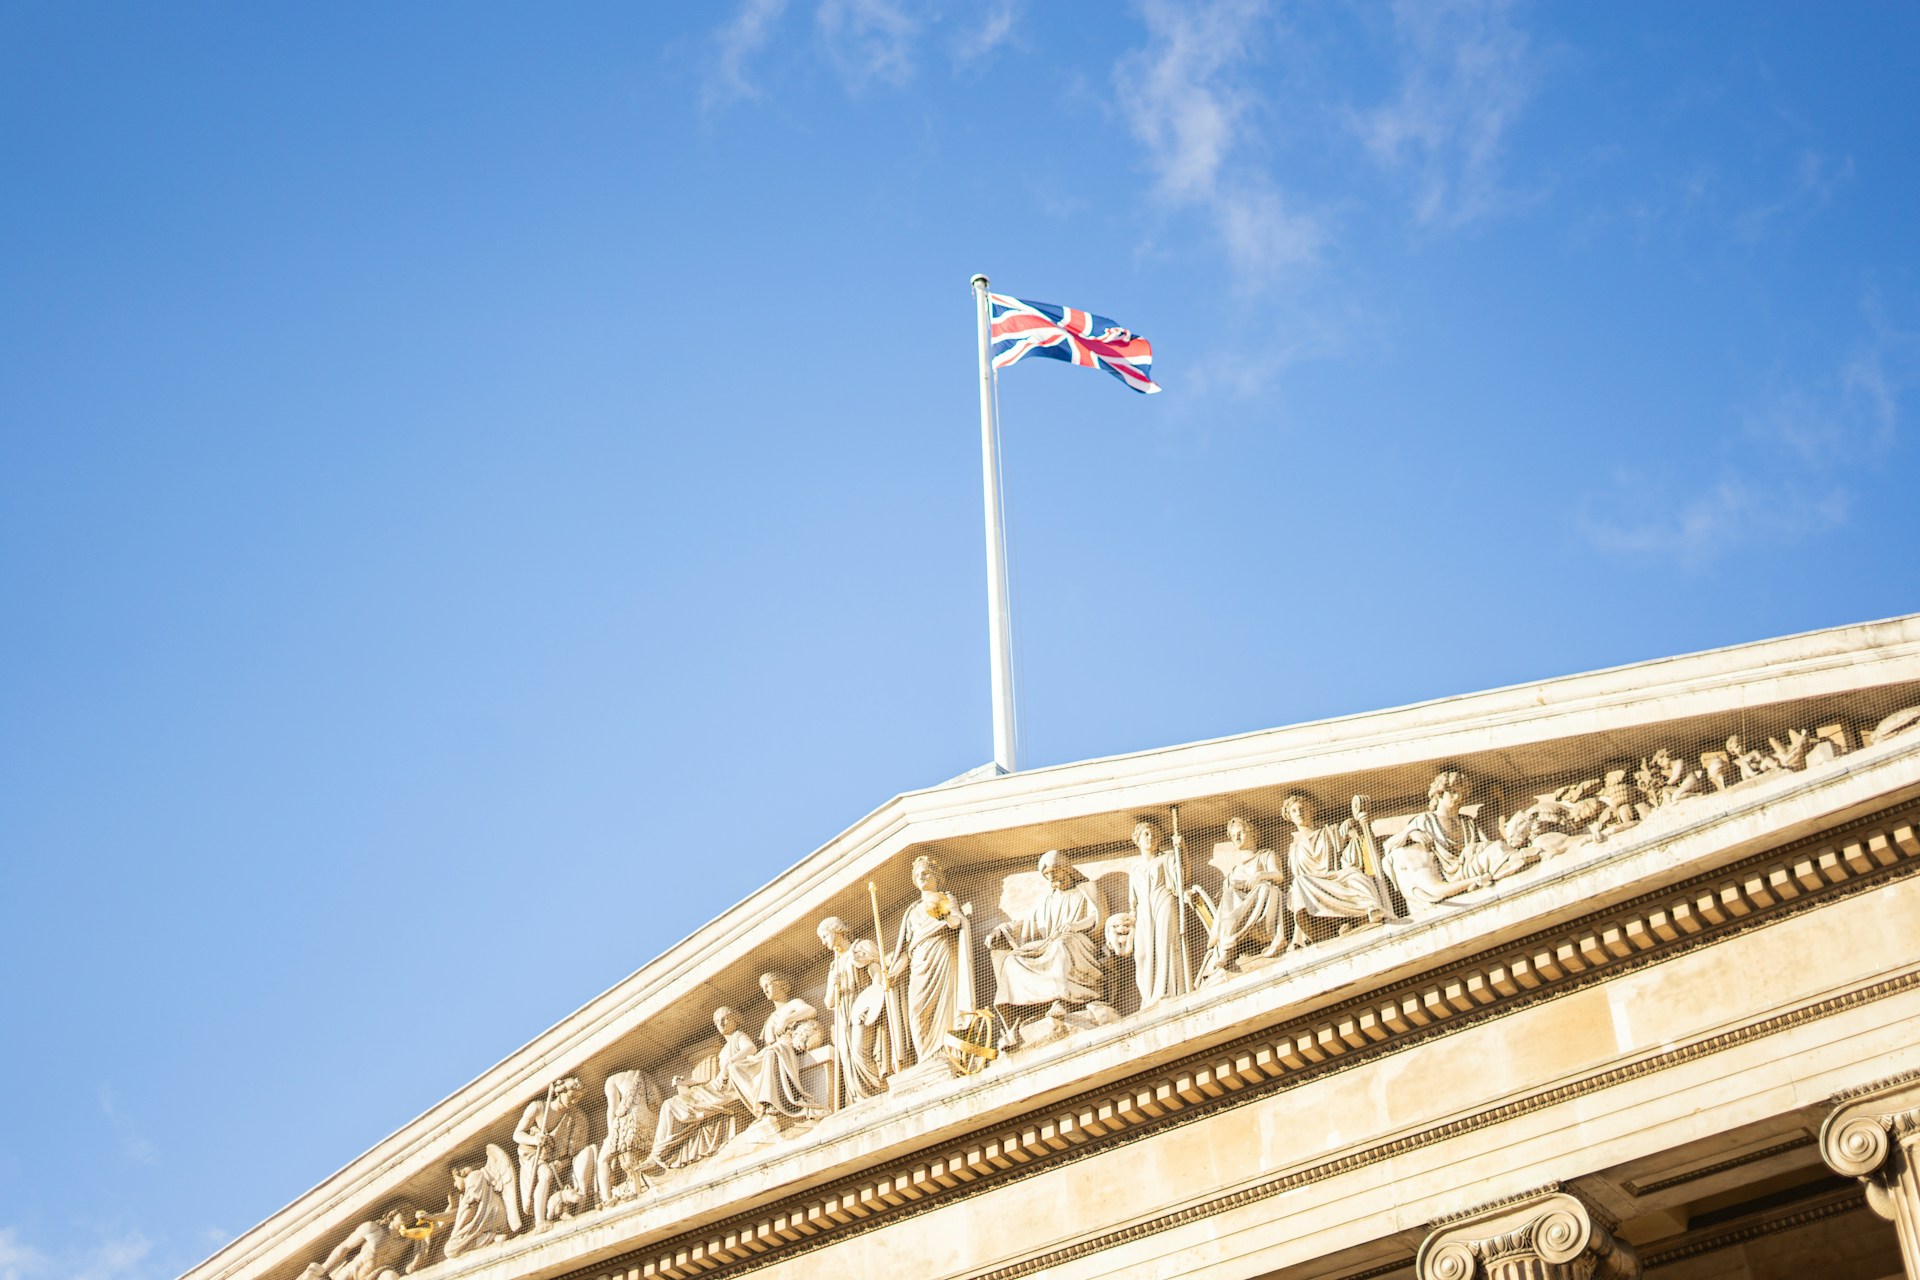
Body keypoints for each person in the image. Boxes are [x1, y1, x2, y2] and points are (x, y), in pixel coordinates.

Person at [986, 850, 1105, 1010]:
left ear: (1065, 869)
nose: (1051, 877)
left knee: (1061, 944)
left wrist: (1075, 926)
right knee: (1012, 960)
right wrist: (1003, 929)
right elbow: (1030, 924)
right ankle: (1021, 1008)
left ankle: (1063, 998)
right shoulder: (1047, 900)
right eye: (1047, 874)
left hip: (1079, 940)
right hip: (1049, 942)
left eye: (1054, 871)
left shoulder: (1087, 889)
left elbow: (1097, 915)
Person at [646, 1007, 757, 1169]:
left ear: (735, 1020)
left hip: (727, 1090)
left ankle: (658, 1153)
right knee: (670, 1104)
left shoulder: (739, 1036)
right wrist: (685, 1082)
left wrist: (731, 1061)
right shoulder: (724, 1050)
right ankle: (659, 1152)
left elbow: (751, 1049)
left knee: (670, 1105)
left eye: (725, 1018)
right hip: (716, 1087)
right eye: (718, 1021)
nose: (721, 1023)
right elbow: (709, 1079)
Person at [888, 855, 974, 1064]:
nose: (921, 878)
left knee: (944, 1004)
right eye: (917, 875)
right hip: (919, 961)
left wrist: (944, 917)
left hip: (942, 953)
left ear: (936, 875)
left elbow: (956, 923)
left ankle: (946, 1053)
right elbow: (907, 951)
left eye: (925, 873)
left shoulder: (946, 898)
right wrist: (893, 973)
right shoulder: (911, 912)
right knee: (916, 1011)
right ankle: (926, 1057)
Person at [1281, 793, 1388, 950]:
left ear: (1312, 810)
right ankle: (1319, 930)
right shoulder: (1294, 850)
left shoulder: (1330, 831)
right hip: (1313, 888)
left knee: (1354, 874)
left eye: (1302, 808)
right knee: (1299, 883)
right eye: (1294, 811)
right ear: (1289, 817)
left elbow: (1354, 848)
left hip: (1336, 879)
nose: (1299, 813)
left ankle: (1369, 909)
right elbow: (1295, 880)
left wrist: (1353, 827)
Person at [1104, 818, 1190, 1010]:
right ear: (1137, 839)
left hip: (1164, 901)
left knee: (1165, 946)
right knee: (1142, 954)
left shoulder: (1166, 858)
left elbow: (1180, 881)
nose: (1150, 838)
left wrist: (1181, 850)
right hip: (1143, 911)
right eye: (1146, 834)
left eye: (1154, 834)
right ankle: (1149, 997)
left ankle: (1168, 991)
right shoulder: (1134, 868)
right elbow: (1132, 903)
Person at [1196, 816, 1285, 982]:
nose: (1236, 838)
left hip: (1262, 900)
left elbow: (1279, 876)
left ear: (1252, 833)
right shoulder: (1234, 871)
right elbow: (1221, 905)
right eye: (1233, 835)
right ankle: (1227, 949)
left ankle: (1274, 939)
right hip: (1240, 910)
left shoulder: (1265, 855)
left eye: (1241, 833)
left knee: (1266, 888)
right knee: (1229, 894)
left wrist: (1260, 875)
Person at [724, 972, 824, 1121]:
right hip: (774, 1049)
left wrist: (787, 1019)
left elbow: (811, 1011)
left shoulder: (793, 1003)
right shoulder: (770, 1019)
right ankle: (761, 1108)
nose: (765, 990)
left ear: (781, 985)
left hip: (788, 1046)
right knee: (736, 1067)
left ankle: (774, 1104)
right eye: (763, 987)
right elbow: (768, 1043)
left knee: (772, 1053)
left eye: (768, 985)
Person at [818, 916, 892, 1105]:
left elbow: (878, 975)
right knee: (847, 1056)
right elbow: (828, 1002)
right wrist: (833, 983)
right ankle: (859, 1098)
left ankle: (878, 1090)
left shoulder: (861, 949)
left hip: (862, 1009)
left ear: (836, 931)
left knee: (859, 1051)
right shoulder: (834, 965)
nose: (824, 942)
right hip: (843, 1015)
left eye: (825, 936)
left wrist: (870, 1004)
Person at [510, 1076, 593, 1230]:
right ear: (560, 1092)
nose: (574, 1101)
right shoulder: (538, 1108)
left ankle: (561, 1210)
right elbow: (517, 1135)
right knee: (546, 1174)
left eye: (577, 1099)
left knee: (552, 1174)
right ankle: (540, 1221)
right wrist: (535, 1140)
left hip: (556, 1160)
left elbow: (574, 1152)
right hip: (532, 1155)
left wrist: (561, 1163)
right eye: (571, 1096)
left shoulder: (576, 1117)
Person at [595, 1069, 659, 1205]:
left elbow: (613, 1108)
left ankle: (607, 1199)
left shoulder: (611, 1080)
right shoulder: (645, 1076)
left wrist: (610, 1134)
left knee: (602, 1160)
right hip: (649, 1124)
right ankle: (636, 1188)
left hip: (628, 1124)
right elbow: (656, 1103)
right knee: (633, 1158)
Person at [315, 1211, 424, 1280]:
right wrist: (323, 1269)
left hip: (378, 1274)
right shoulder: (373, 1228)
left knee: (391, 1277)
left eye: (410, 1214)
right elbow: (344, 1247)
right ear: (392, 1213)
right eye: (404, 1211)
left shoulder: (408, 1240)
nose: (407, 1215)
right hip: (353, 1271)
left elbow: (434, 1230)